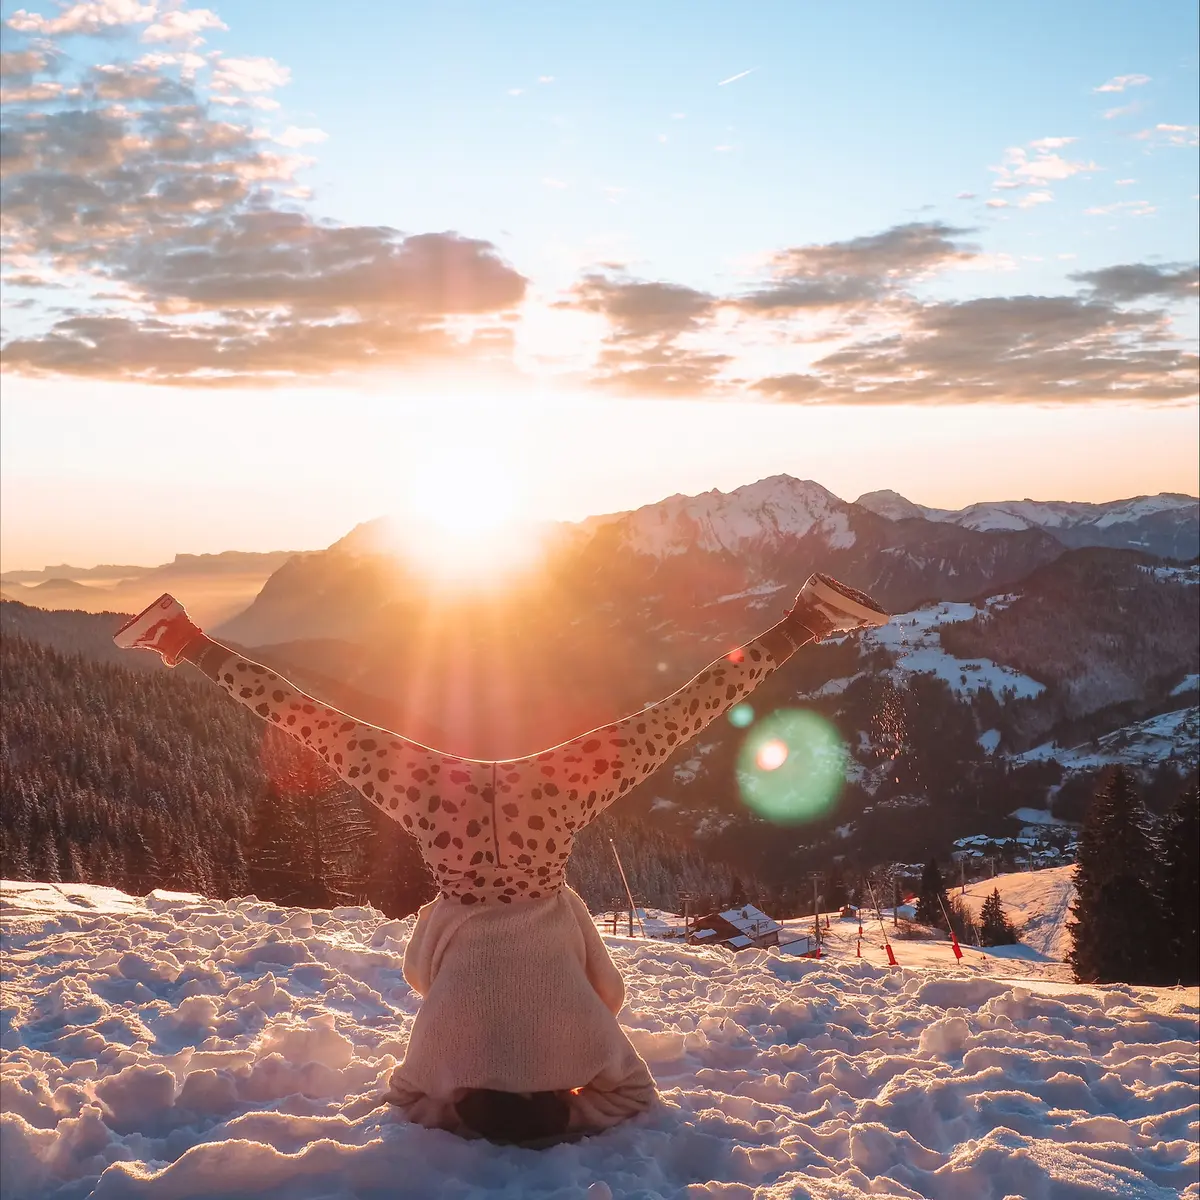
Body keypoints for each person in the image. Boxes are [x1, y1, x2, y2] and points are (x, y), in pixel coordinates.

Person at [114, 572, 889, 1144]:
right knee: (315, 722)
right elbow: (421, 1009)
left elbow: (617, 1047)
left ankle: (803, 620)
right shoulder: (440, 1070)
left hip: (547, 803)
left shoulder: (580, 1056)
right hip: (439, 806)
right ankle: (180, 636)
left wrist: (566, 1086)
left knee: (678, 715)